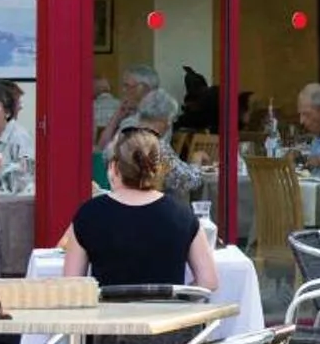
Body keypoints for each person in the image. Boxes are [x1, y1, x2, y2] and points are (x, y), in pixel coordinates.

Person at [62, 126, 218, 293]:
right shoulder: (183, 215)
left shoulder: (89, 214)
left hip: (108, 309)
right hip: (166, 310)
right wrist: (179, 298)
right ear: (157, 169)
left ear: (114, 167)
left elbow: (72, 285)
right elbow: (208, 281)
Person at [131, 87, 206, 200]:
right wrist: (196, 160)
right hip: (149, 206)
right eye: (171, 119)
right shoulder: (156, 146)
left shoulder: (124, 139)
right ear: (164, 119)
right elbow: (188, 182)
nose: (170, 124)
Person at [94, 63, 159, 151]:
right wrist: (117, 116)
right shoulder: (133, 114)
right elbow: (102, 147)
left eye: (127, 86)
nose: (124, 90)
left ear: (144, 89)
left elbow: (104, 148)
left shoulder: (150, 117)